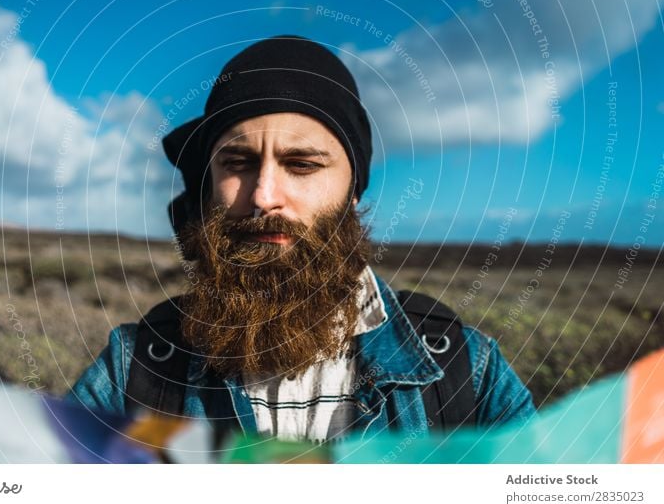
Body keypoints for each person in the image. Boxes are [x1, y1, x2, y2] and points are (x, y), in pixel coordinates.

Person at [67, 35, 535, 444]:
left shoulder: (464, 374)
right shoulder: (136, 370)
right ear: (208, 183)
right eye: (238, 163)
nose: (264, 197)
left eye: (302, 165)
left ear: (353, 192)